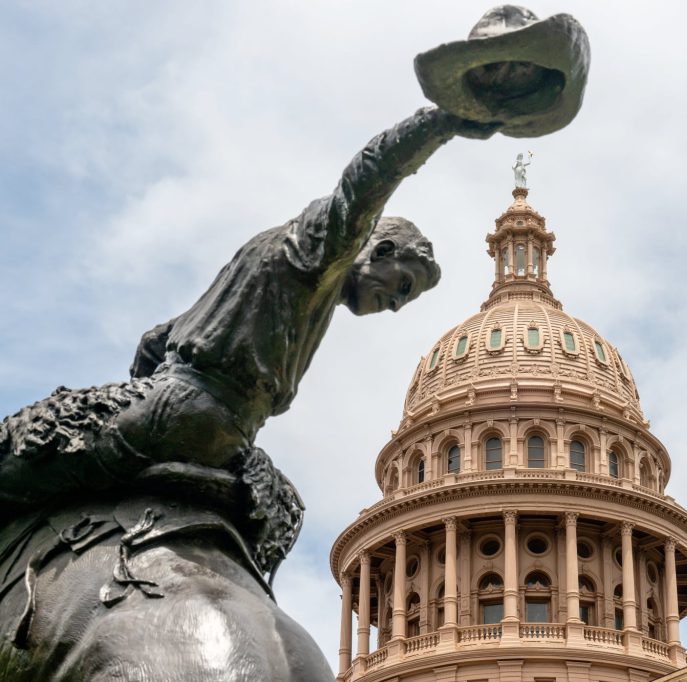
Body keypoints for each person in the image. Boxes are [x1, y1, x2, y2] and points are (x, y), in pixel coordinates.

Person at [0, 105, 497, 681]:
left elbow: (154, 339)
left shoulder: (283, 272)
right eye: (402, 285)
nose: (396, 304)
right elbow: (369, 175)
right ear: (375, 250)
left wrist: (145, 402)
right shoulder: (315, 251)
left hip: (197, 421)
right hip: (196, 418)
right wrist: (445, 120)